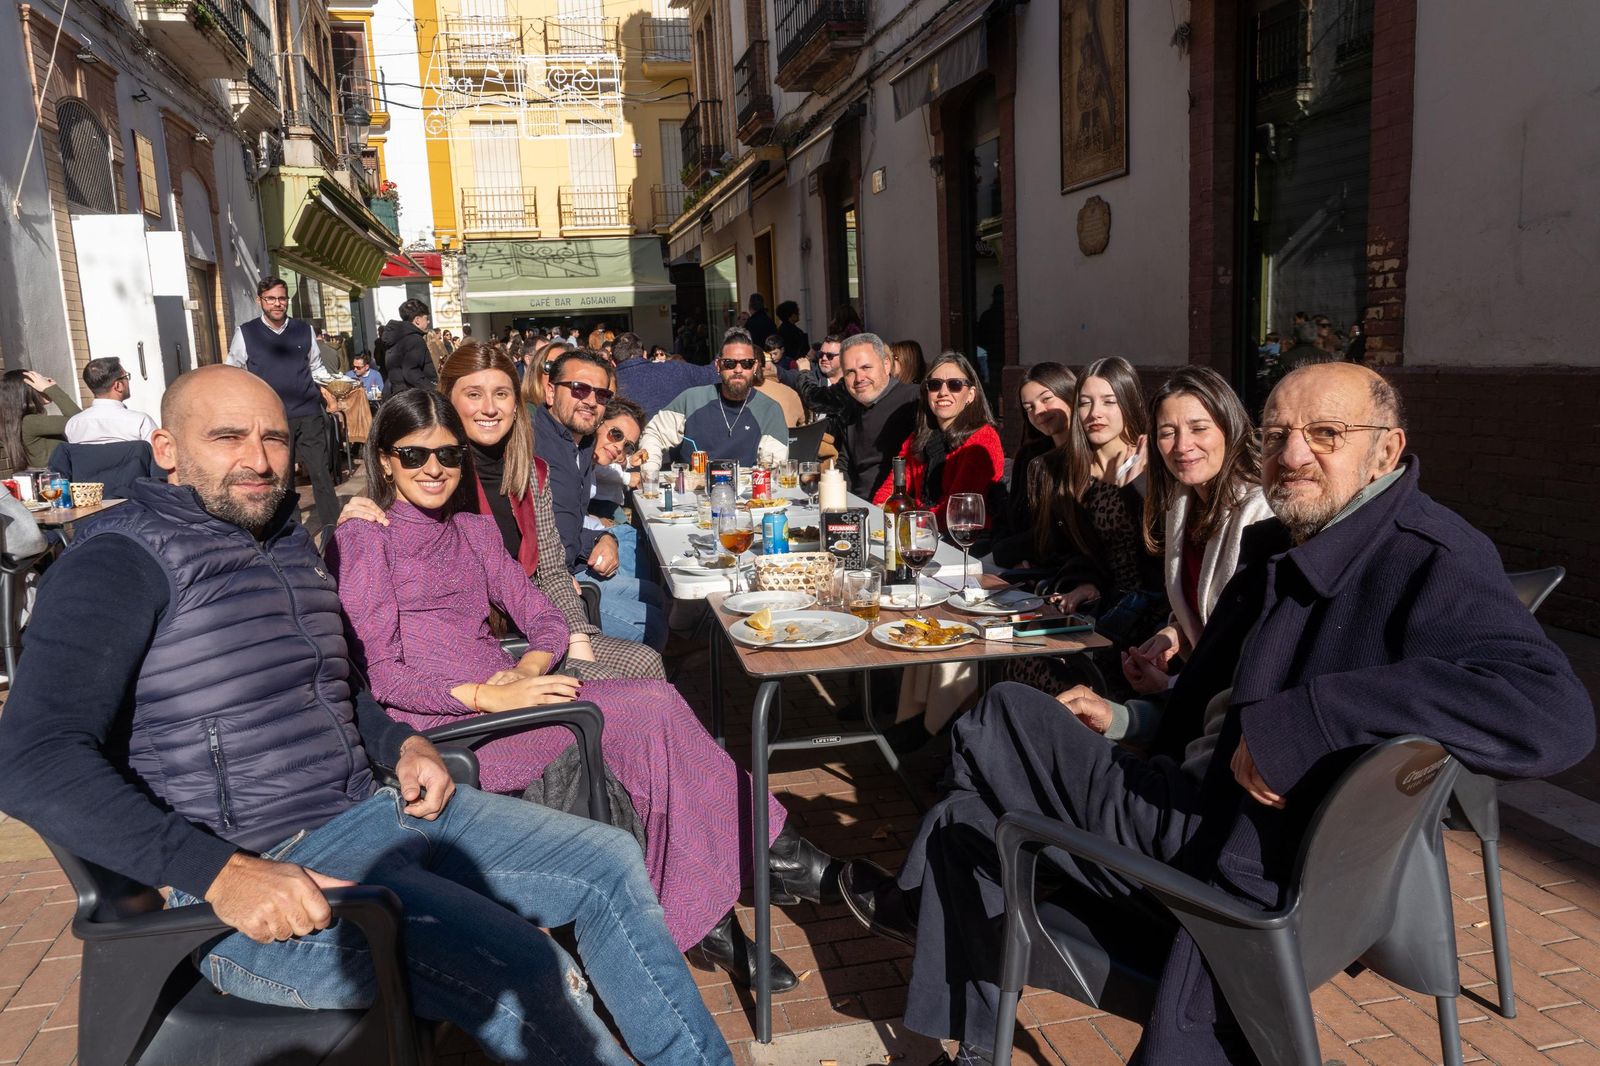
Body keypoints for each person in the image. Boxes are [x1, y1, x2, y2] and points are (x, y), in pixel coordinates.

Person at [839, 362, 1596, 1065]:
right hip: (1184, 797)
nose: (1293, 454)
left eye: (1326, 435)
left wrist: (1314, 719)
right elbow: (1215, 701)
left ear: (1386, 450)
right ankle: (961, 1035)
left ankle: (905, 905)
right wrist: (1131, 720)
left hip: (1212, 854)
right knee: (961, 822)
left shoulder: (1422, 553)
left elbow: (1555, 711)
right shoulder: (1292, 544)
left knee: (1003, 710)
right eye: (1276, 436)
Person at [0, 365, 733, 1066]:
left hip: (376, 814)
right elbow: (31, 760)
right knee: (532, 970)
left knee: (607, 862)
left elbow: (338, 680)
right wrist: (220, 872)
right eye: (227, 438)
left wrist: (403, 741)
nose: (257, 459)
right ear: (166, 450)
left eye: (275, 438)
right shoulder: (117, 560)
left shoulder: (283, 538)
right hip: (256, 877)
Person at [333, 389, 837, 990]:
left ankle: (732, 896)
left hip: (516, 698)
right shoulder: (366, 539)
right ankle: (774, 862)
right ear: (385, 460)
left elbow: (545, 619)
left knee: (653, 715)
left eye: (448, 454)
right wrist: (485, 695)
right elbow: (381, 671)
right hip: (446, 722)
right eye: (414, 456)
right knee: (650, 707)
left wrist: (523, 674)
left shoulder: (470, 529)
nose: (434, 469)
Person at [340, 343, 661, 681]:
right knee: (619, 684)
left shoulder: (531, 471)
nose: (490, 408)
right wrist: (358, 508)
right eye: (474, 394)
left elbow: (551, 571)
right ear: (447, 398)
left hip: (532, 625)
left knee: (644, 662)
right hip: (469, 646)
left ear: (516, 402)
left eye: (502, 394)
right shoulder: (433, 473)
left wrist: (578, 639)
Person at [1118, 365, 1274, 702]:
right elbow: (1206, 608)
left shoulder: (1261, 513)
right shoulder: (1182, 504)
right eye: (1167, 432)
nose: (1182, 445)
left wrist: (1170, 689)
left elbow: (1247, 643)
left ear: (1228, 428)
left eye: (1199, 428)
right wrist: (1175, 634)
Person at [1030, 356, 1166, 651]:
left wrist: (1138, 485)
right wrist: (1084, 583)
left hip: (1152, 613)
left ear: (1128, 402)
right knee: (1020, 653)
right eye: (1085, 403)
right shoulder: (1071, 473)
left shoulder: (1154, 461)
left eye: (1108, 401)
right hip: (1101, 605)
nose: (1095, 413)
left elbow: (1166, 547)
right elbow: (1071, 551)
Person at [536, 348, 668, 649]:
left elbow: (564, 528)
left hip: (570, 567)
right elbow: (537, 540)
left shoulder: (578, 449)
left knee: (654, 596)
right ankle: (628, 684)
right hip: (549, 588)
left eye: (602, 395)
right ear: (550, 391)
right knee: (650, 626)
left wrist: (600, 539)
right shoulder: (536, 447)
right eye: (579, 389)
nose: (591, 400)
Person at [226, 276, 341, 530]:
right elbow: (235, 372)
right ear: (260, 301)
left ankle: (335, 528)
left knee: (321, 471)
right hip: (271, 419)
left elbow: (316, 368)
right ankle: (291, 530)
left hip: (308, 412)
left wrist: (337, 384)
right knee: (282, 476)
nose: (277, 304)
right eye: (271, 299)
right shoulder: (246, 333)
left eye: (281, 299)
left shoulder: (303, 330)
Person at [872, 352, 1003, 538]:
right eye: (934, 385)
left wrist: (905, 521)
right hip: (919, 533)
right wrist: (887, 511)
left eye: (955, 385)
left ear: (971, 395)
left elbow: (956, 510)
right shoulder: (919, 436)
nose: (943, 392)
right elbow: (890, 490)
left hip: (965, 540)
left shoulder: (982, 439)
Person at [638, 327, 789, 470]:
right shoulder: (691, 399)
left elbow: (774, 466)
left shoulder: (769, 409)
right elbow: (653, 434)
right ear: (718, 365)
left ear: (755, 367)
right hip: (694, 492)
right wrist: (650, 474)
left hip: (748, 494)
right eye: (729, 363)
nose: (738, 369)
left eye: (746, 363)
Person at [991, 363, 1076, 568]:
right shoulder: (1030, 456)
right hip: (1019, 568)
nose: (1038, 411)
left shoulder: (1092, 457)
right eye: (1029, 407)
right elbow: (1008, 518)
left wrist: (1009, 551)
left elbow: (1062, 535)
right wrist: (1008, 555)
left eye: (1046, 399)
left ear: (1070, 394)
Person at [833, 333, 919, 498]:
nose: (859, 378)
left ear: (886, 365)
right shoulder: (852, 409)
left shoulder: (913, 400)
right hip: (858, 509)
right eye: (850, 372)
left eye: (866, 368)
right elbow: (845, 467)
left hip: (897, 510)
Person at [613, 330, 716, 420]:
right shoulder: (675, 369)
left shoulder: (608, 385)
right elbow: (712, 374)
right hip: (675, 439)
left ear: (613, 362)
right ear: (645, 354)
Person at [1, 369, 80, 473]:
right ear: (27, 393)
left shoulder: (15, 422)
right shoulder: (30, 423)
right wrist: (52, 389)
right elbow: (80, 421)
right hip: (58, 482)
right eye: (37, 386)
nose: (42, 387)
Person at [64, 357, 156, 444]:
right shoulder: (140, 422)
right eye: (126, 376)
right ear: (118, 386)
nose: (128, 380)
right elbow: (162, 457)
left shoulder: (73, 425)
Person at [379, 298, 438, 395]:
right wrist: (433, 389)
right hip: (414, 396)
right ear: (417, 320)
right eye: (426, 318)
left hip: (399, 394)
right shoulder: (415, 340)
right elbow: (411, 372)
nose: (428, 322)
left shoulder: (397, 338)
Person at [757, 335, 806, 428]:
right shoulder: (766, 364)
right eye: (769, 354)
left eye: (775, 353)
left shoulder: (791, 363)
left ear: (782, 350)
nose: (772, 357)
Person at [775, 300, 809, 365]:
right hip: (794, 363)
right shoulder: (795, 331)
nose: (798, 314)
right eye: (796, 312)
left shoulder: (780, 330)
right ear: (791, 315)